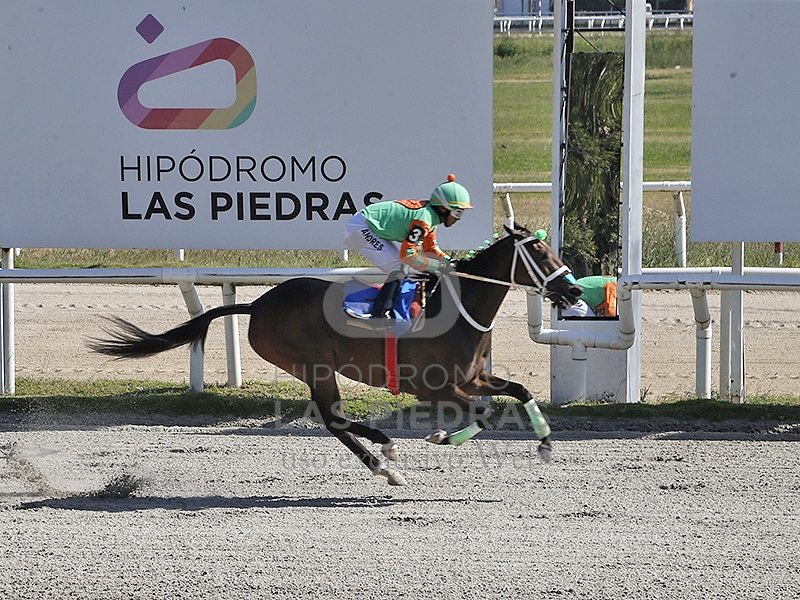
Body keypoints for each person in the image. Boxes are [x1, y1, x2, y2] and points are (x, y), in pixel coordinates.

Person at [344, 174, 472, 318]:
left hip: (367, 225)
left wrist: (449, 262)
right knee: (398, 267)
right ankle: (381, 313)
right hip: (359, 228)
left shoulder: (431, 217)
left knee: (403, 267)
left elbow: (430, 249)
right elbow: (408, 256)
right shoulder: (424, 220)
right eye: (458, 212)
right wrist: (438, 265)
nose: (458, 219)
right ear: (443, 208)